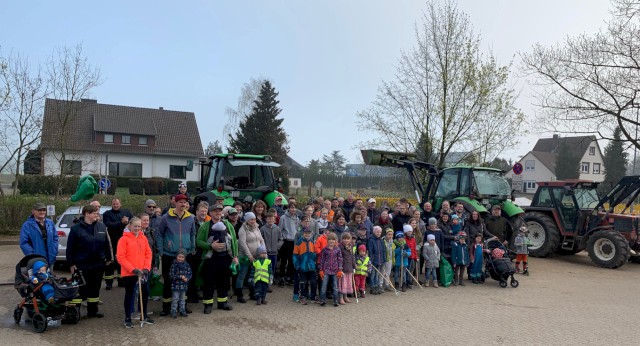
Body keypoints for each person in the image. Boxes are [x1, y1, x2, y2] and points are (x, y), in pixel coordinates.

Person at [67, 204, 113, 318]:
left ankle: (93, 311)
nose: (97, 215)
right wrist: (71, 264)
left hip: (98, 264)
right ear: (87, 214)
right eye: (95, 213)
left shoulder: (102, 227)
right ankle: (74, 312)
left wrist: (109, 258)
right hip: (82, 264)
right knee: (80, 290)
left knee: (95, 288)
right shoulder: (76, 229)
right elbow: (70, 248)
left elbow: (107, 244)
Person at [156, 194, 197, 316]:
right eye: (181, 202)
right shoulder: (166, 217)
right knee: (169, 281)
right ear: (175, 203)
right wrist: (161, 250)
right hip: (169, 254)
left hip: (185, 254)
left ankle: (182, 306)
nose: (183, 204)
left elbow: (192, 234)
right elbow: (159, 234)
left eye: (185, 202)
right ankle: (166, 307)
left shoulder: (190, 218)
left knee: (185, 280)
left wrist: (192, 247)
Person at [197, 204, 238, 314]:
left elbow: (234, 241)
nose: (218, 213)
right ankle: (208, 304)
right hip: (210, 259)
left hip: (225, 258)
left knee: (224, 281)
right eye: (215, 211)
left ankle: (222, 302)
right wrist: (210, 246)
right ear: (210, 213)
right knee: (209, 282)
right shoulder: (205, 226)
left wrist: (235, 256)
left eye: (219, 211)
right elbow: (198, 241)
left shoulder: (228, 225)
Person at [116, 217, 153, 328]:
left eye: (139, 226)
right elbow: (121, 257)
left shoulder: (143, 238)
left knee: (145, 293)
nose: (137, 228)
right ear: (130, 226)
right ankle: (128, 318)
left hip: (142, 272)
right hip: (130, 273)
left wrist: (146, 268)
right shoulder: (123, 239)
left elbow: (148, 254)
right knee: (130, 294)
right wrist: (132, 269)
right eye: (135, 226)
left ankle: (144, 315)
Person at [103, 198, 133, 289]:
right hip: (111, 242)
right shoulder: (107, 214)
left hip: (124, 242)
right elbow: (108, 225)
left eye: (117, 204)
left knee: (122, 262)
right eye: (114, 204)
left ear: (120, 204)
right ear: (111, 205)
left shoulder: (127, 212)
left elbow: (133, 223)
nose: (115, 205)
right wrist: (121, 223)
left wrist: (127, 222)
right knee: (110, 263)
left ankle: (121, 281)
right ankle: (109, 283)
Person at [235, 212, 265, 303]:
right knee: (242, 276)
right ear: (247, 220)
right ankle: (239, 295)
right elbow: (243, 244)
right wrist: (249, 256)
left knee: (253, 276)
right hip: (245, 257)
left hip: (256, 257)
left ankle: (252, 294)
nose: (253, 221)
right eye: (251, 219)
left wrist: (264, 252)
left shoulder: (257, 227)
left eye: (254, 219)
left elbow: (261, 240)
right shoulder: (242, 230)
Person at [20, 202, 58, 269]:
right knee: (40, 278)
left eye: (44, 210)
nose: (42, 212)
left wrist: (54, 250)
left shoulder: (50, 223)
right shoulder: (27, 225)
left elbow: (55, 238)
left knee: (50, 278)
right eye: (39, 210)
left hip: (50, 258)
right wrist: (32, 255)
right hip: (36, 260)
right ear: (33, 211)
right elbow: (24, 243)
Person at [293, 227, 317, 305]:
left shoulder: (312, 242)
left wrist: (315, 263)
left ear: (311, 234)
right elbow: (295, 255)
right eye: (306, 233)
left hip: (312, 267)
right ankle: (303, 296)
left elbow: (315, 254)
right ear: (303, 234)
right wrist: (297, 266)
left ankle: (313, 297)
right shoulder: (298, 243)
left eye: (309, 233)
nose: (307, 234)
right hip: (302, 267)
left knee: (313, 282)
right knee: (303, 282)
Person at [318, 233, 343, 307]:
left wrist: (340, 270)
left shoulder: (338, 249)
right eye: (330, 239)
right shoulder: (324, 249)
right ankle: (322, 300)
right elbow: (322, 260)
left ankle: (335, 300)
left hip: (335, 271)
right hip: (326, 270)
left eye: (333, 239)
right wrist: (321, 270)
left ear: (335, 241)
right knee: (324, 286)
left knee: (335, 286)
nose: (331, 241)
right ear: (327, 240)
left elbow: (340, 260)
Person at [278, 203, 299, 286]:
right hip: (285, 241)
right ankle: (281, 277)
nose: (293, 209)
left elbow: (297, 229)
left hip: (293, 241)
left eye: (294, 208)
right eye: (292, 208)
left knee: (291, 261)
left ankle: (289, 276)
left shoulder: (297, 218)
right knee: (283, 260)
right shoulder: (283, 217)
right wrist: (282, 239)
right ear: (288, 209)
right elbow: (280, 229)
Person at [260, 212, 282, 289]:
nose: (270, 220)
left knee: (272, 268)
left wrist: (277, 246)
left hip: (275, 253)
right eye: (269, 219)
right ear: (266, 219)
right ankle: (265, 284)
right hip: (266, 253)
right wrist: (263, 248)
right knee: (265, 269)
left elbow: (281, 239)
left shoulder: (277, 228)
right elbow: (260, 240)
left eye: (272, 219)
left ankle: (270, 283)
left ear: (274, 220)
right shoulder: (262, 229)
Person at [169, 249, 192, 317]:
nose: (180, 258)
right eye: (179, 256)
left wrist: (187, 278)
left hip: (184, 286)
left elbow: (190, 273)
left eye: (182, 257)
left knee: (182, 299)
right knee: (175, 299)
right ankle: (173, 311)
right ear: (176, 256)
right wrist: (180, 277)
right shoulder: (174, 265)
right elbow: (171, 275)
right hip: (175, 286)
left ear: (185, 258)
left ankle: (182, 310)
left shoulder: (187, 265)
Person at [366, 226, 386, 295]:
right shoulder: (371, 240)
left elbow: (383, 250)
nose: (379, 233)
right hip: (373, 261)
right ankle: (372, 287)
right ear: (374, 232)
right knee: (373, 274)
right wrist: (370, 260)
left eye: (380, 232)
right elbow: (370, 251)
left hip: (380, 260)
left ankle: (377, 286)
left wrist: (384, 259)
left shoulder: (381, 240)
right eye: (377, 232)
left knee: (377, 274)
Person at [338, 232, 355, 304]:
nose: (346, 240)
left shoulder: (351, 247)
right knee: (342, 284)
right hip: (343, 268)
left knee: (347, 283)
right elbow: (339, 258)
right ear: (342, 239)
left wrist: (354, 265)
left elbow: (352, 257)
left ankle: (345, 297)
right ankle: (341, 298)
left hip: (349, 268)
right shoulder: (340, 247)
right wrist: (340, 267)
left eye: (347, 239)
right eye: (344, 239)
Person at [403, 224, 417, 289]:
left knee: (411, 269)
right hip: (406, 257)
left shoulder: (413, 239)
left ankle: (409, 280)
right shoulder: (404, 239)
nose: (410, 233)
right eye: (408, 231)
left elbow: (414, 248)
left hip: (412, 257)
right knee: (406, 270)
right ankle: (405, 282)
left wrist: (415, 256)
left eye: (410, 231)